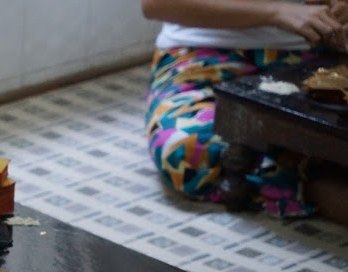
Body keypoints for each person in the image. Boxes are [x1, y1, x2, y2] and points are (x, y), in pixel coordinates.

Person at [142, 0, 348, 224]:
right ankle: (312, 181)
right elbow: (156, 4)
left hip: (316, 53)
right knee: (186, 149)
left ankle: (293, 170)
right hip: (201, 54)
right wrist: (277, 12)